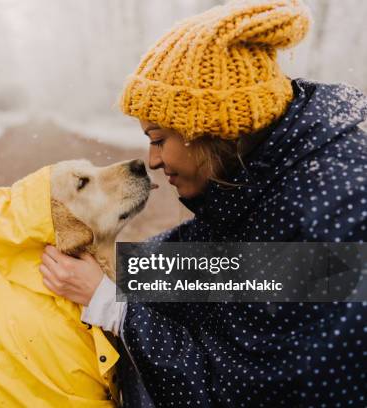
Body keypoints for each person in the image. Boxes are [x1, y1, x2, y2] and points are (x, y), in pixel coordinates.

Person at [39, 0, 367, 406]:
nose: (153, 160)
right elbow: (238, 269)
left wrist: (111, 306)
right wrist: (119, 271)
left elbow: (251, 392)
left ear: (213, 129)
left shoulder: (334, 218)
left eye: (159, 139)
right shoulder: (272, 171)